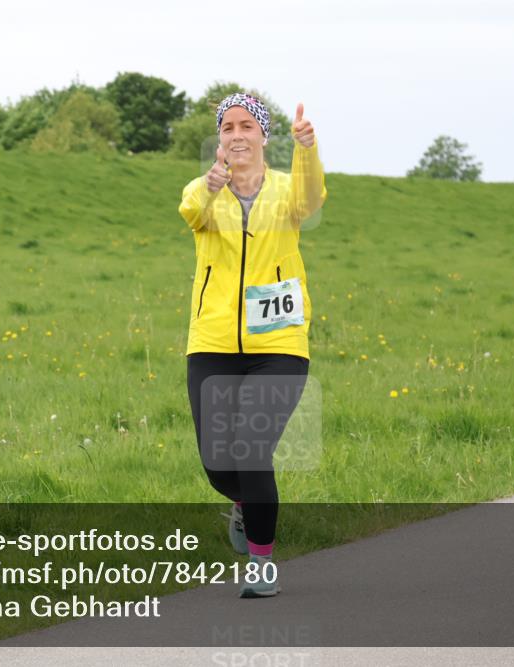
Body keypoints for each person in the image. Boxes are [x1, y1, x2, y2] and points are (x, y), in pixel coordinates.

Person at [177, 92, 327, 598]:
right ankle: (243, 505)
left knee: (251, 448)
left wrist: (306, 148)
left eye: (247, 125)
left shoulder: (286, 191)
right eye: (227, 127)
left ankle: (262, 565)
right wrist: (211, 183)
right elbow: (191, 211)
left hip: (279, 342)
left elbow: (311, 202)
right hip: (213, 341)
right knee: (219, 464)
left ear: (264, 135)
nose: (237, 134)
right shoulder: (204, 190)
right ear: (219, 138)